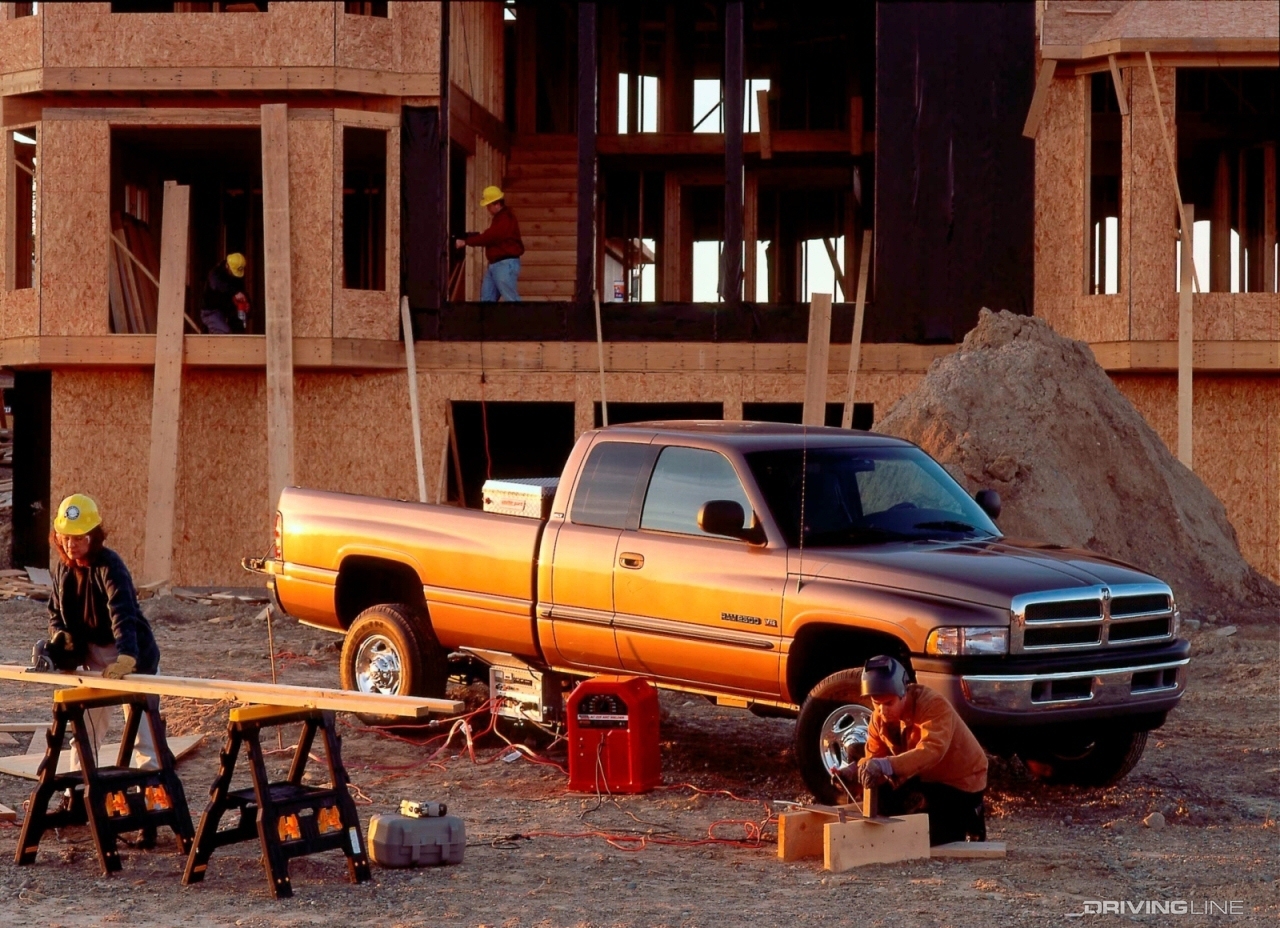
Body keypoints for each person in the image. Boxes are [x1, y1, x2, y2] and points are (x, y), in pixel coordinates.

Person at [44, 494, 162, 770]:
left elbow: (123, 612)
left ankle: (156, 800)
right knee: (85, 734)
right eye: (66, 538)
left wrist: (127, 656)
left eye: (79, 538)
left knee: (146, 737)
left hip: (131, 654)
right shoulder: (63, 568)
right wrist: (60, 636)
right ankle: (79, 793)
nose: (71, 545)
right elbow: (55, 614)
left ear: (93, 537)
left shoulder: (110, 565)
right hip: (93, 660)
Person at [855, 654, 989, 845]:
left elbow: (932, 750)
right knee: (885, 809)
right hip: (921, 776)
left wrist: (885, 765)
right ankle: (926, 807)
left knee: (930, 838)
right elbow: (874, 760)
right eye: (876, 704)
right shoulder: (879, 719)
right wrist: (855, 772)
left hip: (959, 781)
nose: (882, 711)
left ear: (904, 693)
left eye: (888, 703)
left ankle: (971, 814)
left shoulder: (933, 704)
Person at [455, 186, 524, 302]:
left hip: (504, 264)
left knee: (511, 300)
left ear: (497, 204)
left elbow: (490, 237)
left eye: (489, 205)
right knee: (487, 300)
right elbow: (491, 236)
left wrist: (466, 242)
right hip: (497, 264)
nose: (487, 208)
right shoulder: (502, 218)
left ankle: (523, 320)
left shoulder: (505, 219)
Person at [201, 252, 250, 334]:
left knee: (238, 333)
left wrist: (247, 303)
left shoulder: (237, 276)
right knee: (224, 334)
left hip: (226, 311)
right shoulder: (215, 274)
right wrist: (234, 292)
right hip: (211, 311)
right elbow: (217, 285)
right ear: (227, 266)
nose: (235, 276)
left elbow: (241, 291)